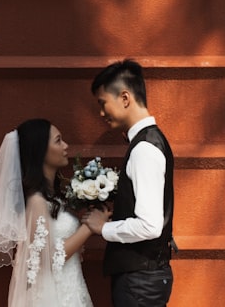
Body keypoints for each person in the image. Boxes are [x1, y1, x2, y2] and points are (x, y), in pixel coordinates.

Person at [0, 118, 110, 307]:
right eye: (58, 140)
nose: (66, 146)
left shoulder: (52, 197)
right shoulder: (37, 201)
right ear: (40, 151)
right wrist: (89, 227)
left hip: (69, 290)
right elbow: (46, 259)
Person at [84, 59, 175, 307]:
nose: (101, 113)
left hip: (140, 282)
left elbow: (150, 226)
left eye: (103, 104)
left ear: (125, 98)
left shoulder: (145, 148)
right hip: (143, 280)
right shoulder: (148, 142)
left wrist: (103, 228)